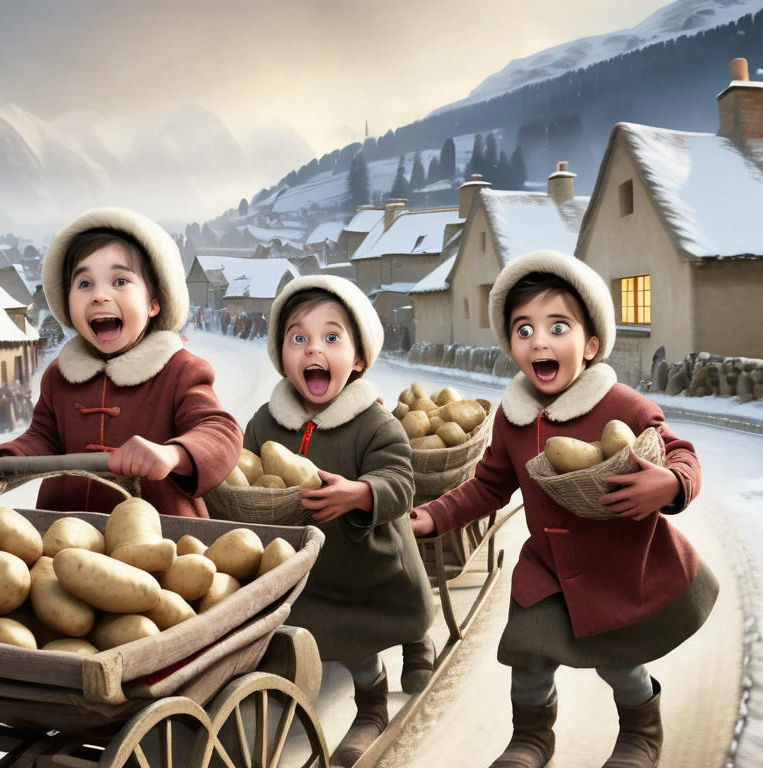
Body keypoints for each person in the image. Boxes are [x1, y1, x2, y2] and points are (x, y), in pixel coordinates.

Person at [410, 250, 718, 768]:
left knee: (622, 664)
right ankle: (532, 738)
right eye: (524, 330)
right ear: (511, 345)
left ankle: (640, 732)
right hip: (548, 568)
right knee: (528, 656)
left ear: (591, 344)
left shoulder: (623, 405)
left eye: (558, 326)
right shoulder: (512, 420)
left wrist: (669, 484)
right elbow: (488, 486)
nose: (540, 341)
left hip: (616, 564)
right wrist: (435, 514)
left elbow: (681, 452)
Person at [242, 275, 435, 768]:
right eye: (298, 337)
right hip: (308, 573)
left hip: (365, 568)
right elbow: (244, 466)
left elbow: (400, 481)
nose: (313, 350)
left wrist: (361, 493)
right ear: (281, 354)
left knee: (357, 645)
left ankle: (371, 705)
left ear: (359, 359)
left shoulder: (375, 424)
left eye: (332, 337)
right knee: (310, 632)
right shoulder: (265, 422)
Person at [0, 207, 242, 517]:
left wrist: (172, 454)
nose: (99, 296)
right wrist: (14, 455)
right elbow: (44, 436)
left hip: (162, 538)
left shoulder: (179, 370)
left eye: (119, 281)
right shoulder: (59, 376)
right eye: (85, 284)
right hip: (66, 533)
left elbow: (219, 431)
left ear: (154, 303)